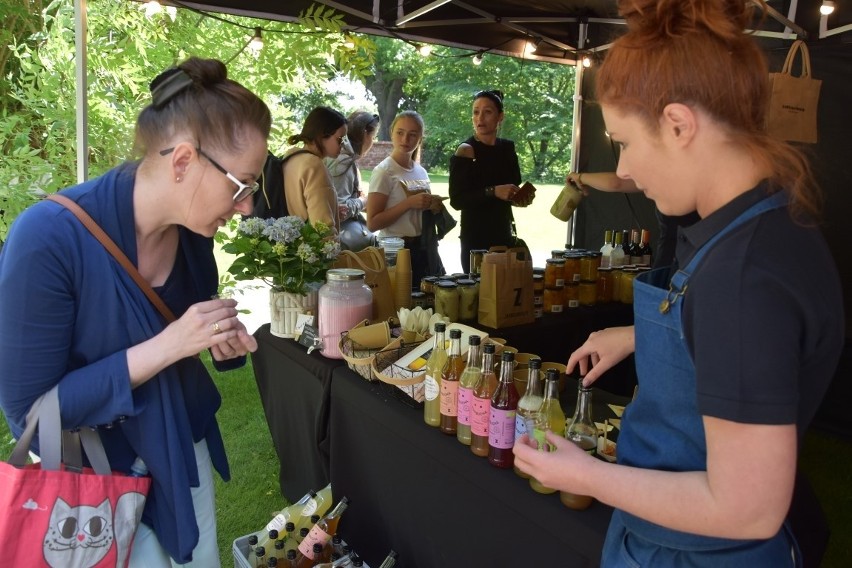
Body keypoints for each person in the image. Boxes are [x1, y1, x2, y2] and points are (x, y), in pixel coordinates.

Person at [513, 1, 844, 566]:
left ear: (678, 123)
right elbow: (746, 340)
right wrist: (642, 333)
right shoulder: (761, 214)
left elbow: (747, 508)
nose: (627, 170)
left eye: (624, 142)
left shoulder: (744, 278)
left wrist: (586, 474)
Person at [0, 57, 270, 566]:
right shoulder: (47, 240)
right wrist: (166, 347)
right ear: (184, 161)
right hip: (97, 476)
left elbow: (187, 340)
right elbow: (32, 418)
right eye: (242, 185)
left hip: (178, 448)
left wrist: (217, 342)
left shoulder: (192, 236)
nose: (246, 207)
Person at [448, 89, 534, 273]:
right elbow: (457, 200)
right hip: (475, 239)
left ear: (500, 117)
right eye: (476, 112)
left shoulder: (507, 148)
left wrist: (520, 198)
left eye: (487, 112)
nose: (480, 118)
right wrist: (493, 191)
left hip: (504, 236)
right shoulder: (466, 150)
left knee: (506, 292)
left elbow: (511, 192)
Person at [367, 110, 446, 285]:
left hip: (423, 247)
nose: (405, 139)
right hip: (395, 250)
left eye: (412, 134)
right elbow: (372, 223)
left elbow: (420, 213)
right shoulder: (384, 171)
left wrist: (433, 205)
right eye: (400, 133)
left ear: (420, 138)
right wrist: (409, 203)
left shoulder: (421, 171)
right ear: (391, 133)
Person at [565, 171, 700, 268]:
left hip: (675, 266)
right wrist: (581, 178)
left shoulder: (668, 174)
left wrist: (580, 177)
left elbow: (616, 182)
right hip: (693, 262)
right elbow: (616, 182)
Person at [283, 105, 347, 231]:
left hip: (289, 243)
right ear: (322, 135)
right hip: (309, 248)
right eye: (340, 139)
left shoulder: (291, 157)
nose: (343, 145)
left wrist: (332, 210)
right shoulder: (314, 165)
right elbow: (322, 227)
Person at [326, 111, 380, 251]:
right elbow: (339, 210)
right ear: (365, 134)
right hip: (338, 244)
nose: (372, 142)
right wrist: (365, 201)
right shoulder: (342, 161)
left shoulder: (343, 158)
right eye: (373, 137)